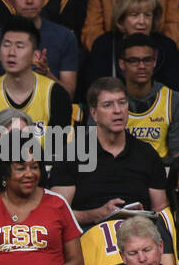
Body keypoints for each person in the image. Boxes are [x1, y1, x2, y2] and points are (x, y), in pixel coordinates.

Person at [50, 77, 167, 228]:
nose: (117, 110)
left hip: (139, 235)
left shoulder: (147, 154)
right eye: (108, 105)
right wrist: (99, 213)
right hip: (90, 236)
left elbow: (161, 210)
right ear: (94, 113)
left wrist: (145, 217)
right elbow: (58, 214)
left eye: (122, 103)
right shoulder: (72, 154)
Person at [0, 17, 73, 140]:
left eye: (20, 46)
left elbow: (58, 153)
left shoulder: (56, 95)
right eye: (6, 45)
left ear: (35, 55)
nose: (11, 52)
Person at [82, 0, 179, 100]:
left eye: (147, 15)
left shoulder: (167, 46)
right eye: (134, 15)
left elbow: (175, 93)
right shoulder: (104, 45)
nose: (142, 22)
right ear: (121, 19)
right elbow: (95, 91)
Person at [120, 33, 179, 158]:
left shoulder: (173, 100)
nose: (141, 66)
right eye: (134, 61)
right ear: (122, 64)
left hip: (161, 172)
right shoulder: (107, 99)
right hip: (119, 172)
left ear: (154, 62)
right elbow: (91, 149)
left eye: (147, 60)